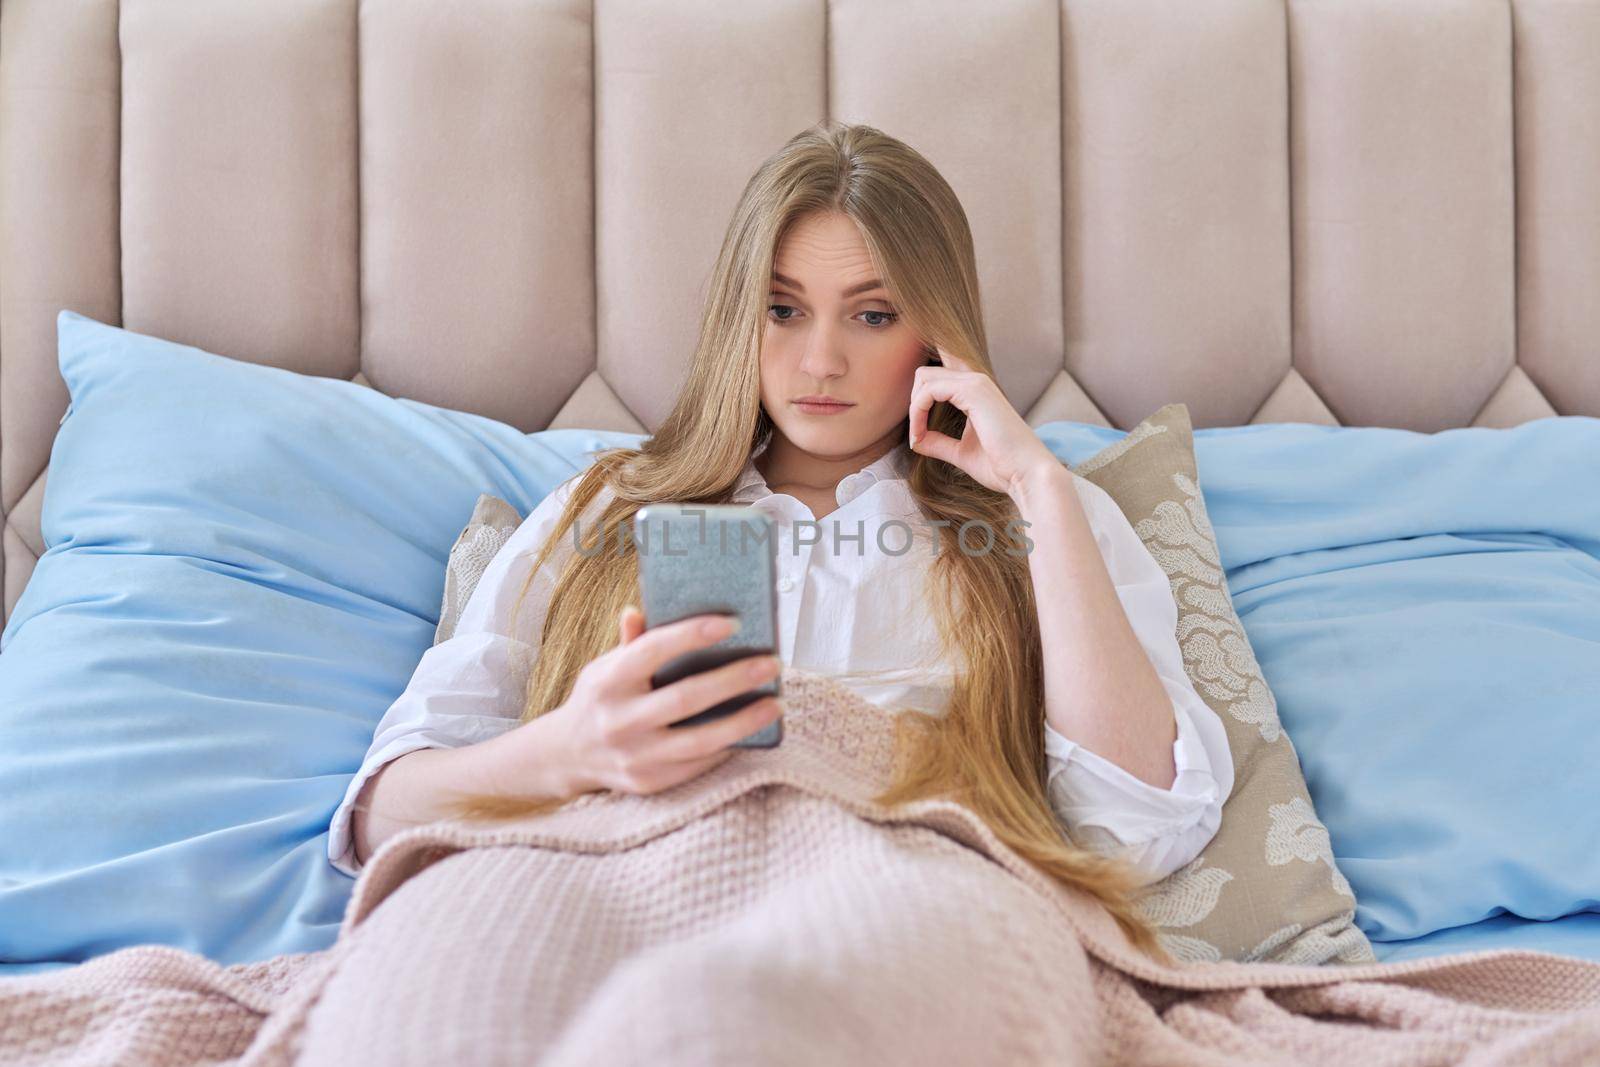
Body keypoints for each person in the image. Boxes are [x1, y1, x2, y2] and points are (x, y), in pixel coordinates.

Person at [329, 121, 1232, 953]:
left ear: (936, 335)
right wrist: (572, 748)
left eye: (872, 315)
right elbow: (381, 819)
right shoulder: (607, 513)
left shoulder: (1044, 519)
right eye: (784, 309)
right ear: (738, 318)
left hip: (910, 929)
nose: (821, 361)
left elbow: (1144, 823)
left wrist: (1040, 488)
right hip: (622, 910)